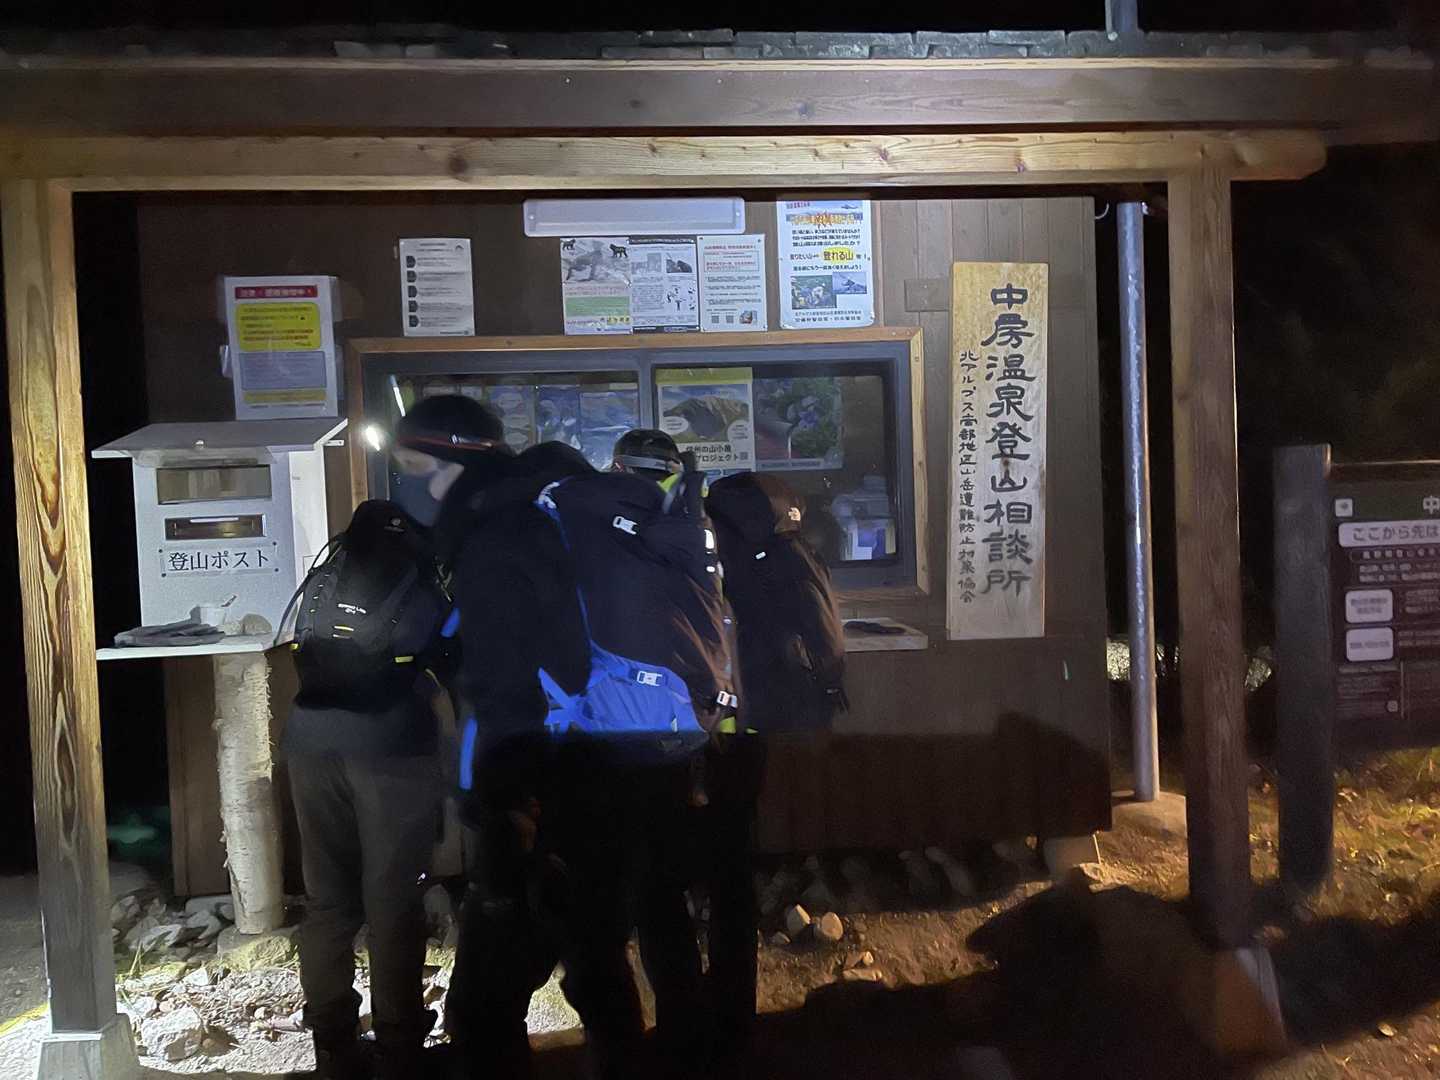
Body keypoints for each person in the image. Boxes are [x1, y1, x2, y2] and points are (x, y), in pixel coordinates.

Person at [420, 399, 647, 1080]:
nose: (422, 487)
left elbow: (501, 689)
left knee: (485, 1000)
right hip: (608, 762)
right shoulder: (576, 530)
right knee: (597, 958)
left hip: (530, 782)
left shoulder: (499, 540)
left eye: (424, 469)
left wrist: (492, 798)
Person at [282, 399, 489, 1080]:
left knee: (327, 901)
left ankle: (334, 1047)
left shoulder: (328, 572)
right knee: (393, 897)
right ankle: (400, 1045)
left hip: (309, 739)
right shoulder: (423, 576)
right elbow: (455, 659)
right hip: (390, 747)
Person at [610, 430, 760, 1079]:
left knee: (658, 887)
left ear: (620, 470)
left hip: (654, 740)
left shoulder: (622, 539)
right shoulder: (709, 529)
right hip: (727, 733)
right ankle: (734, 1022)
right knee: (729, 880)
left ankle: (681, 1026)